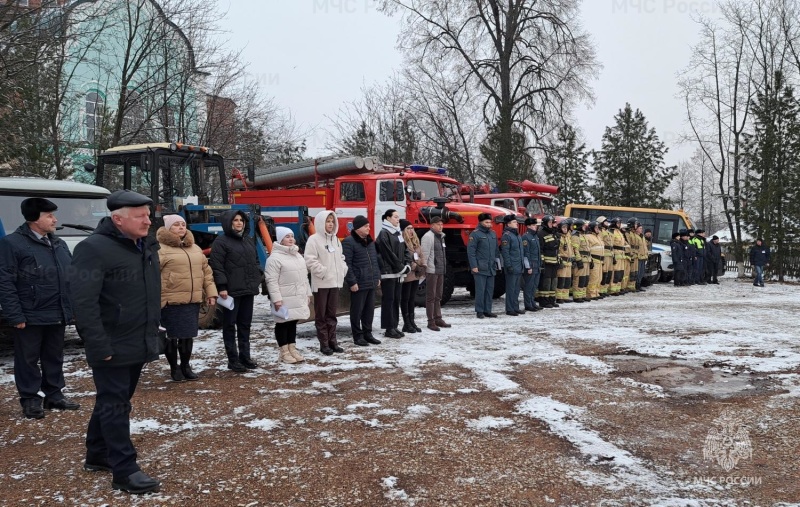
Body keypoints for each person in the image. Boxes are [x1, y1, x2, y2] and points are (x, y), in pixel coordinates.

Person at [70, 190, 161, 494]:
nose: (148, 221)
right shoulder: (93, 249)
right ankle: (124, 469)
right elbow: (83, 303)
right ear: (118, 219)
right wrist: (98, 345)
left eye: (148, 215)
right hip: (111, 344)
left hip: (137, 339)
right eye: (140, 216)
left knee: (114, 401)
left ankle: (97, 454)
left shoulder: (144, 245)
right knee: (115, 405)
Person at [0, 198, 78, 420]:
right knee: (28, 358)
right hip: (29, 314)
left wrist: (72, 308)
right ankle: (31, 399)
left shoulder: (58, 243)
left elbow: (70, 277)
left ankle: (54, 394)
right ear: (34, 218)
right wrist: (14, 314)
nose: (55, 219)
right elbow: (5, 281)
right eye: (49, 215)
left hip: (57, 311)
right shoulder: (12, 244)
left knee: (54, 356)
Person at [157, 214, 218, 381]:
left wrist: (211, 292)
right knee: (171, 337)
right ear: (168, 228)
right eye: (176, 225)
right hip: (170, 301)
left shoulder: (195, 248)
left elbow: (206, 273)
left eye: (183, 224)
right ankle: (173, 368)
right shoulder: (160, 249)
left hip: (192, 300)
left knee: (187, 335)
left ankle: (185, 365)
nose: (181, 227)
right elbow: (153, 275)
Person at [209, 210, 262, 373]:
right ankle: (233, 359)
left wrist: (257, 277)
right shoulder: (221, 242)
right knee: (230, 325)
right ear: (229, 223)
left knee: (245, 325)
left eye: (241, 220)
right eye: (236, 220)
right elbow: (217, 266)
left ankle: (245, 356)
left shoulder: (248, 240)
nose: (239, 223)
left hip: (247, 290)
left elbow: (255, 261)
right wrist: (222, 287)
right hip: (231, 292)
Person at [265, 227, 312, 364]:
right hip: (284, 298)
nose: (291, 239)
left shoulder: (297, 255)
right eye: (287, 237)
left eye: (292, 236)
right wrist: (277, 299)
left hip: (297, 296)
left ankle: (292, 348)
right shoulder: (274, 258)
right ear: (280, 240)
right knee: (282, 324)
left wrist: (307, 293)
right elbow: (271, 280)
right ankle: (284, 352)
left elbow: (304, 277)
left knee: (293, 322)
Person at [304, 210, 348, 355]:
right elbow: (310, 260)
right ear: (321, 223)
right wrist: (323, 272)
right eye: (327, 221)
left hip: (335, 283)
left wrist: (343, 269)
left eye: (332, 221)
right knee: (321, 315)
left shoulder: (335, 240)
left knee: (332, 314)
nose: (330, 224)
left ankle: (333, 342)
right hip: (322, 283)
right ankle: (324, 344)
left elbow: (341, 257)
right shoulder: (314, 239)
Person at [342, 215, 382, 346]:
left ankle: (367, 333)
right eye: (366, 226)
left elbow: (375, 261)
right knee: (357, 310)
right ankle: (357, 335)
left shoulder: (370, 242)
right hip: (359, 282)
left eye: (368, 225)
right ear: (358, 228)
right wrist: (352, 282)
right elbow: (347, 264)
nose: (368, 228)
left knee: (369, 310)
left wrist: (377, 277)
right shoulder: (349, 242)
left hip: (370, 281)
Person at [375, 209, 412, 338]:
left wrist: (407, 264)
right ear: (388, 218)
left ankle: (394, 326)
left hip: (398, 273)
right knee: (388, 300)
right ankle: (388, 328)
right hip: (389, 273)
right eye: (395, 217)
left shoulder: (397, 233)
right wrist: (401, 267)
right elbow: (388, 254)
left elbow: (405, 249)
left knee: (396, 300)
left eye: (398, 217)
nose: (398, 219)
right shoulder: (384, 234)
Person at [400, 219, 429, 333]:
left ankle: (412, 321)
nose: (411, 231)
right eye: (408, 228)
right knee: (405, 299)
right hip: (408, 274)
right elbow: (404, 258)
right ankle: (406, 323)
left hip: (416, 275)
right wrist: (414, 266)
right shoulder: (403, 243)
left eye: (412, 228)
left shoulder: (416, 242)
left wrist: (423, 266)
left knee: (412, 299)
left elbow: (422, 255)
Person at [467, 213, 498, 318]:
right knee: (480, 290)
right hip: (480, 267)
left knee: (490, 290)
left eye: (490, 222)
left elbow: (496, 251)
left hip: (491, 267)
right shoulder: (475, 234)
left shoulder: (493, 234)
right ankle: (479, 311)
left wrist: (497, 263)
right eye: (486, 222)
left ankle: (487, 310)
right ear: (481, 222)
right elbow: (471, 252)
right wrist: (474, 266)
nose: (489, 224)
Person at [421, 216, 449, 330]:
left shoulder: (441, 237)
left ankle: (438, 318)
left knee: (438, 296)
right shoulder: (428, 237)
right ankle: (430, 321)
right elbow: (425, 254)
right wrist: (424, 268)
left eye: (441, 224)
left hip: (440, 269)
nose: (441, 226)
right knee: (431, 297)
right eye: (438, 224)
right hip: (432, 270)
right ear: (432, 225)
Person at [500, 214, 524, 315]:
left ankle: (515, 306)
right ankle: (509, 309)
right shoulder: (507, 235)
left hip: (519, 265)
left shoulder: (517, 235)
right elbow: (505, 252)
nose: (516, 223)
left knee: (517, 288)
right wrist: (508, 265)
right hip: (512, 266)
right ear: (508, 224)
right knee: (511, 288)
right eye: (514, 222)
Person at [537, 215, 560, 308]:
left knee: (553, 281)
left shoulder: (553, 233)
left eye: (553, 223)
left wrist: (559, 260)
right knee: (545, 282)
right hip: (546, 263)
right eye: (551, 223)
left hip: (554, 262)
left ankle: (551, 299)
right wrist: (542, 261)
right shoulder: (541, 234)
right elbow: (540, 249)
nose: (552, 224)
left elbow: (556, 249)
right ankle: (544, 301)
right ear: (546, 223)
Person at [521, 217, 541, 312]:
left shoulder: (535, 236)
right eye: (533, 225)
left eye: (535, 225)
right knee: (528, 286)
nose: (535, 227)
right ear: (528, 226)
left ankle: (532, 302)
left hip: (537, 264)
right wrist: (528, 266)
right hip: (531, 264)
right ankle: (528, 304)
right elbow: (526, 253)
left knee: (534, 285)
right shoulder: (526, 237)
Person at [555, 219, 575, 303]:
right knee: (561, 280)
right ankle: (559, 297)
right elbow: (557, 251)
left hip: (569, 262)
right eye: (563, 227)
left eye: (566, 227)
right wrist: (559, 261)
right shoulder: (558, 237)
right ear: (560, 228)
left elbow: (571, 249)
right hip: (562, 261)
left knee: (567, 280)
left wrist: (573, 259)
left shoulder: (568, 237)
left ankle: (565, 296)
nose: (565, 229)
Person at [586, 221, 605, 300]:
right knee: (593, 278)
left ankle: (596, 292)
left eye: (598, 228)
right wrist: (590, 260)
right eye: (596, 228)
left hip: (600, 261)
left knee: (599, 278)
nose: (598, 229)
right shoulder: (588, 237)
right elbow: (587, 249)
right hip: (594, 260)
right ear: (592, 228)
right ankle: (591, 293)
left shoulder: (598, 237)